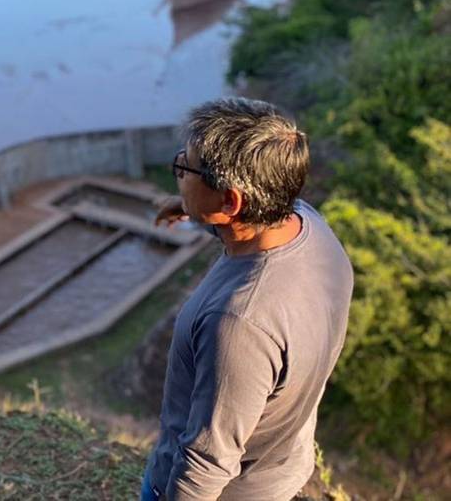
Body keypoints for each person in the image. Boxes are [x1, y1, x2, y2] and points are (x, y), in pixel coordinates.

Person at [141, 98, 353, 500]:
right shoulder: (311, 228)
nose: (178, 176)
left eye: (184, 169)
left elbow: (207, 462)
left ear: (230, 202)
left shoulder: (240, 322)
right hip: (281, 469)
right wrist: (190, 207)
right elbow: (246, 222)